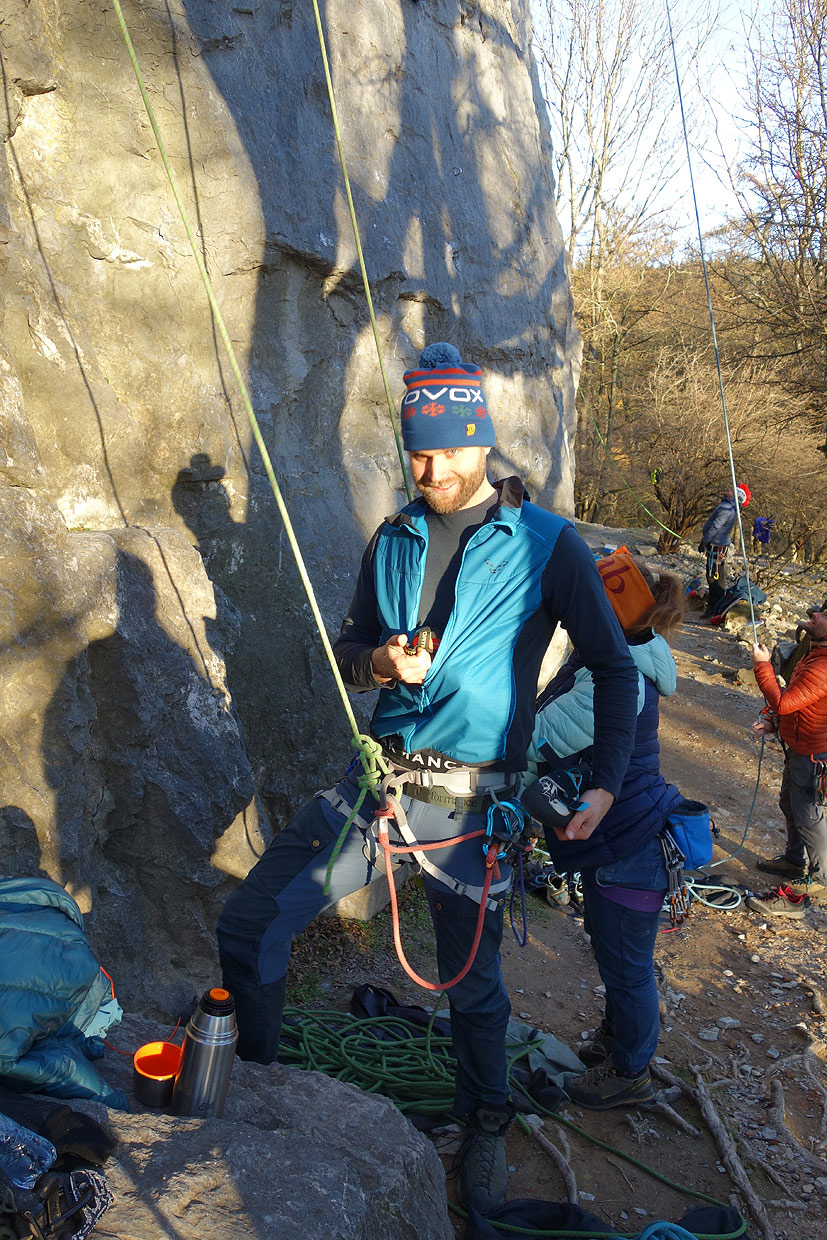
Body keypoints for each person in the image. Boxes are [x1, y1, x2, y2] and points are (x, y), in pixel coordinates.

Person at [217, 342, 639, 1213]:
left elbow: (615, 668)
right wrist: (377, 661)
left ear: (481, 442)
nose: (431, 467)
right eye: (417, 449)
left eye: (447, 448)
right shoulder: (395, 536)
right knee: (253, 920)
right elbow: (346, 652)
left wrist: (602, 782)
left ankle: (482, 1120)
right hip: (377, 792)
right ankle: (254, 1091)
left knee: (472, 983)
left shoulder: (547, 546)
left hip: (470, 807)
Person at [524, 553, 685, 1109]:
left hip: (628, 842)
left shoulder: (615, 680)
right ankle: (617, 1046)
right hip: (624, 836)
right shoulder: (619, 652)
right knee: (618, 955)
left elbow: (539, 735)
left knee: (626, 964)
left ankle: (631, 1073)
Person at [746, 605, 827, 918]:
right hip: (799, 747)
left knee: (809, 815)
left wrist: (762, 667)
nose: (814, 614)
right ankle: (795, 861)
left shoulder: (823, 665)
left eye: (822, 614)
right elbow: (797, 702)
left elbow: (784, 700)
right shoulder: (813, 653)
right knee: (788, 803)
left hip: (814, 755)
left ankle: (820, 880)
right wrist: (773, 723)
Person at [699, 485, 750, 616]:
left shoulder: (726, 508)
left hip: (716, 545)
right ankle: (715, 606)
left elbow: (716, 526)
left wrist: (705, 541)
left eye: (730, 490)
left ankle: (713, 608)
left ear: (735, 495)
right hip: (718, 545)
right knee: (717, 575)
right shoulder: (729, 507)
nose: (727, 489)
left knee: (713, 576)